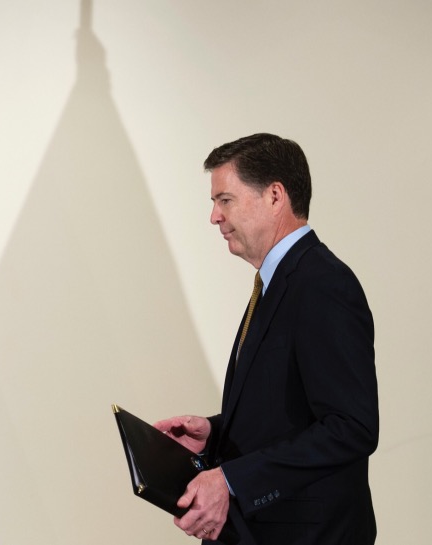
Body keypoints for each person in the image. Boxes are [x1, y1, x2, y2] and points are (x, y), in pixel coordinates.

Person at [154, 133, 378, 544]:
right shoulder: (277, 283)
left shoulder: (323, 284)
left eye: (225, 199)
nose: (214, 217)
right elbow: (288, 412)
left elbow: (351, 427)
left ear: (275, 196)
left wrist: (231, 480)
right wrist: (214, 432)